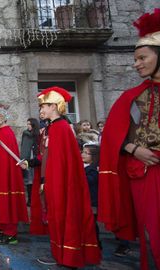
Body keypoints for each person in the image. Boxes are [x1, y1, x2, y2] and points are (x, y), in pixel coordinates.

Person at [98, 9, 160, 270]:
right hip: (144, 173)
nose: (136, 64)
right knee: (152, 235)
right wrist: (134, 148)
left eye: (142, 58)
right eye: (135, 59)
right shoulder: (132, 96)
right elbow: (113, 136)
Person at [36, 86, 101, 268]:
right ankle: (60, 254)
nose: (41, 110)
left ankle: (68, 257)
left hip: (63, 183)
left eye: (44, 106)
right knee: (56, 218)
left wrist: (54, 182)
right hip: (55, 181)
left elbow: (64, 162)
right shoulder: (54, 127)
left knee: (65, 217)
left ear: (54, 106)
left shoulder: (62, 128)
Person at [0, 104, 28, 245]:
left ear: (1, 119)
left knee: (7, 202)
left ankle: (10, 234)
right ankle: (2, 228)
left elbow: (7, 159)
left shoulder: (7, 133)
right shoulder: (0, 133)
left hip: (5, 175)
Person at [81, 143, 101, 250]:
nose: (83, 154)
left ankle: (96, 243)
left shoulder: (93, 170)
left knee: (92, 224)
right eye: (83, 152)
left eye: (86, 153)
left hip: (92, 202)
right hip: (85, 201)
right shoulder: (83, 166)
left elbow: (88, 181)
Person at [19, 117, 40, 206]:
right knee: (28, 180)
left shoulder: (38, 134)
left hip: (35, 158)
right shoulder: (26, 134)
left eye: (29, 124)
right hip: (28, 158)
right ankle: (30, 200)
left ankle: (34, 199)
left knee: (34, 180)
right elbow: (24, 148)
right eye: (27, 124)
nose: (27, 126)